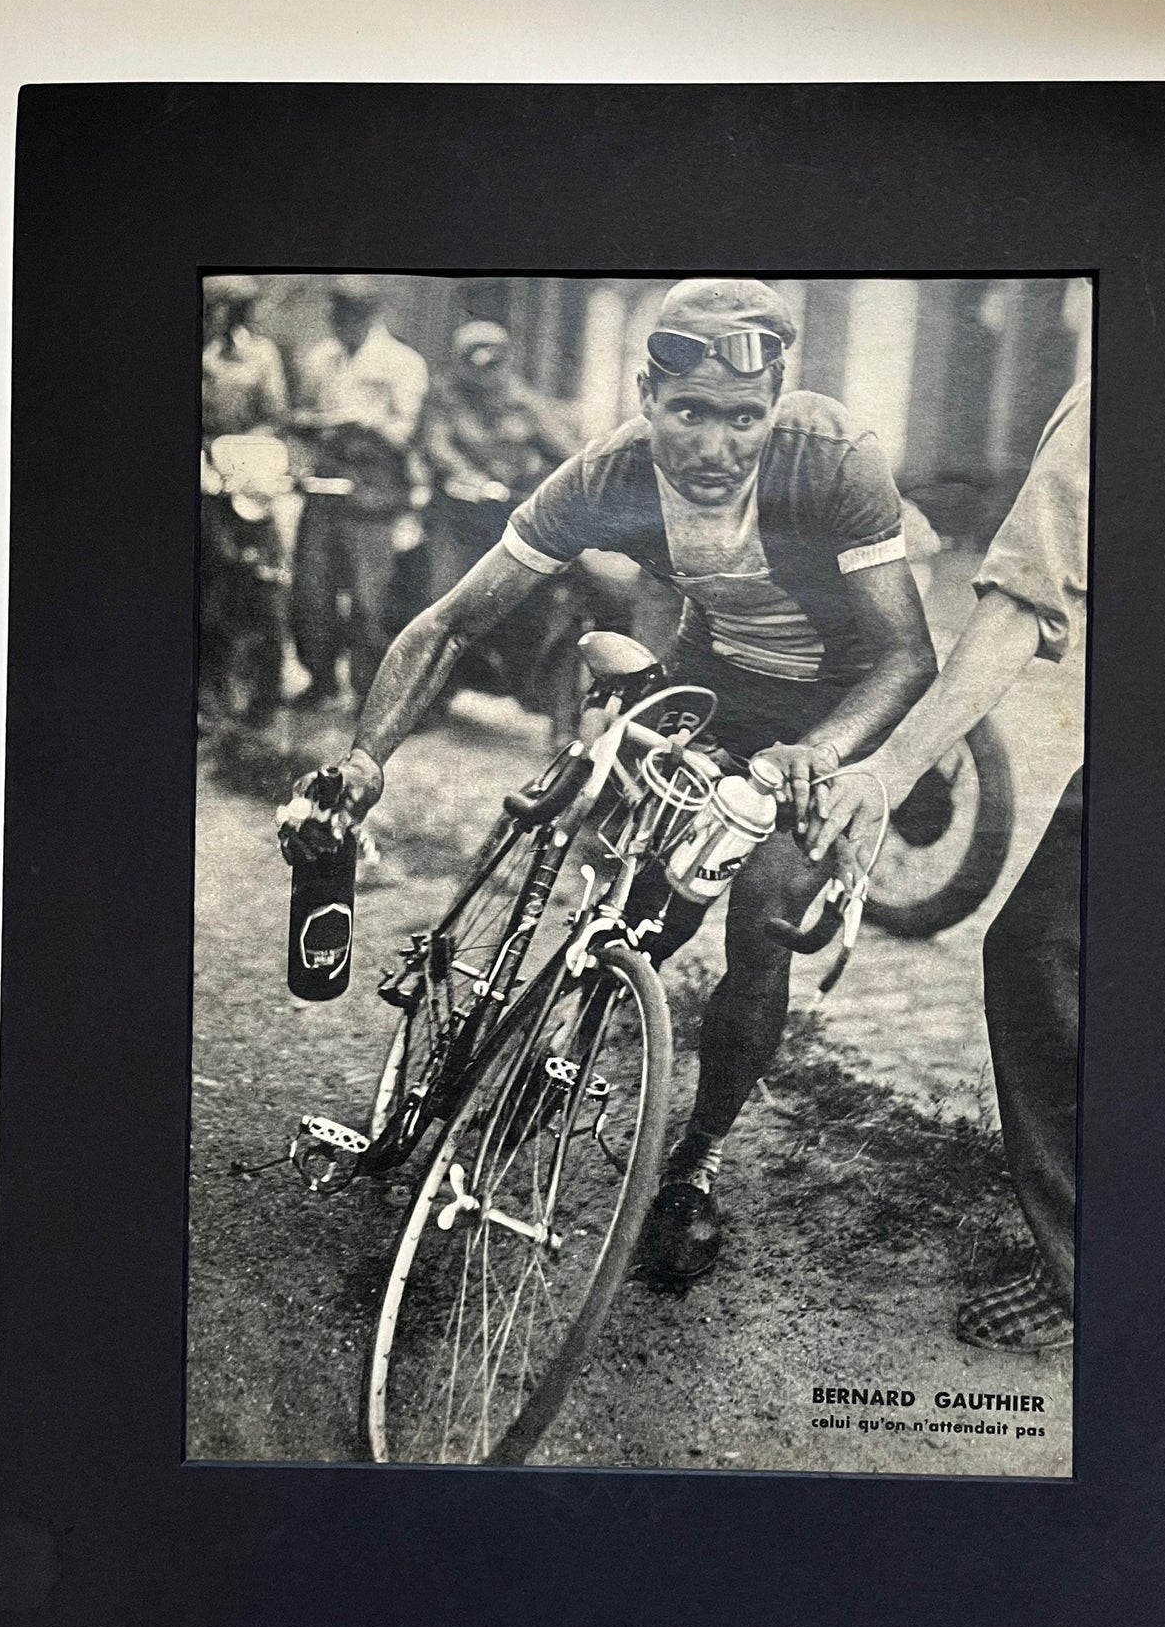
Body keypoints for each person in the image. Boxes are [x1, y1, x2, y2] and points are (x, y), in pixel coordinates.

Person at [280, 278, 937, 1284]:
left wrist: (820, 755)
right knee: (635, 910)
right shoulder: (606, 474)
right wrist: (369, 756)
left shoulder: (829, 458)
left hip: (834, 704)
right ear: (643, 394)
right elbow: (450, 620)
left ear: (774, 406)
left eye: (740, 419)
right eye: (686, 414)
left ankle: (696, 1163)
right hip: (715, 681)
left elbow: (905, 659)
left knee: (759, 908)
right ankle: (507, 1121)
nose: (714, 446)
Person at [808, 374, 1091, 1350]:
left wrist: (885, 770)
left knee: (1039, 951)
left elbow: (1018, 604)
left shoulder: (1113, 398)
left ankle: (1078, 1269)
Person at [288, 276, 430, 706]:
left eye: (352, 314)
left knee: (371, 603)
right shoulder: (321, 359)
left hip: (374, 498)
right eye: (337, 313)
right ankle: (321, 680)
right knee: (311, 593)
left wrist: (363, 421)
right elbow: (299, 419)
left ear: (371, 315)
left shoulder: (403, 363)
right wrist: (314, 430)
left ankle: (369, 694)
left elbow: (408, 434)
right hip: (324, 489)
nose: (342, 323)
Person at [422, 319, 580, 598]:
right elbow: (438, 447)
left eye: (494, 364)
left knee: (525, 594)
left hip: (510, 512)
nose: (486, 376)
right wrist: (474, 479)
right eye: (475, 365)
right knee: (449, 594)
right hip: (459, 515)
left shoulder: (524, 402)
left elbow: (565, 451)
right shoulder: (445, 397)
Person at [199, 275, 289, 721]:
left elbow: (273, 419)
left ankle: (261, 697)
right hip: (200, 484)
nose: (223, 320)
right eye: (216, 309)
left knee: (252, 580)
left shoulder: (260, 356)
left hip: (241, 484)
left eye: (233, 310)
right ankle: (204, 694)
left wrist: (236, 462)